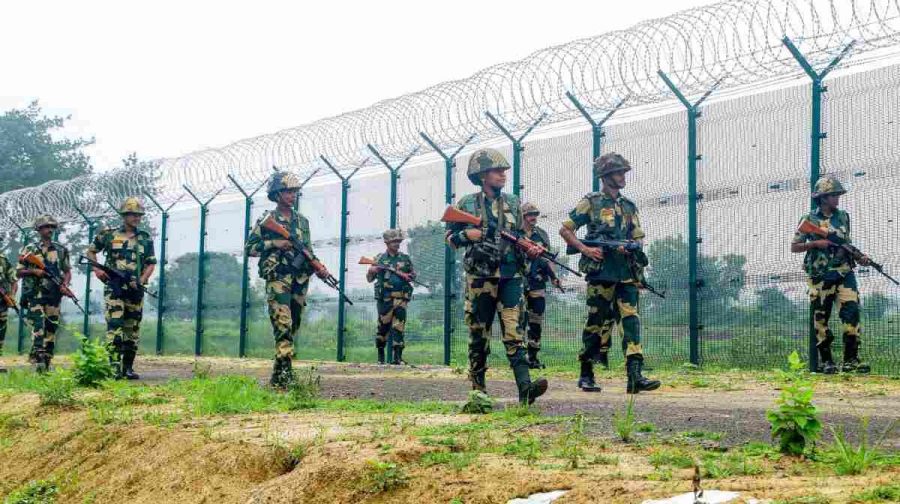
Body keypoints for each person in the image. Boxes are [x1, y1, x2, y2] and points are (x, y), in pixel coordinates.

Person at [445, 148, 549, 405]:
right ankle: (478, 390)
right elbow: (449, 238)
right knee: (479, 334)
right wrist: (466, 235)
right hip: (480, 278)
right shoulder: (467, 204)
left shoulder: (513, 203)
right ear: (481, 175)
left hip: (511, 276)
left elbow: (518, 235)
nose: (503, 175)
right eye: (497, 170)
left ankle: (525, 388)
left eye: (504, 171)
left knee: (515, 331)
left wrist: (531, 247)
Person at [560, 152, 660, 394]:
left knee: (631, 320)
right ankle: (586, 373)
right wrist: (586, 249)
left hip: (626, 273)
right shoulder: (591, 202)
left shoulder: (628, 206)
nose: (623, 176)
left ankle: (635, 375)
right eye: (618, 172)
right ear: (605, 176)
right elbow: (566, 229)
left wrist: (633, 250)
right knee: (596, 322)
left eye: (624, 172)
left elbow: (638, 237)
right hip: (601, 273)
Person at [246, 172, 330, 388]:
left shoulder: (302, 222)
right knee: (283, 324)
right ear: (276, 194)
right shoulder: (267, 220)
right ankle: (286, 376)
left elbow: (307, 250)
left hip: (299, 279)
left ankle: (278, 372)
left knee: (293, 325)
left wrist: (319, 267)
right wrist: (274, 243)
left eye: (294, 191)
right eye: (288, 191)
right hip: (278, 278)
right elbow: (250, 249)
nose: (292, 195)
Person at [791, 176, 870, 374]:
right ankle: (827, 362)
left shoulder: (843, 216)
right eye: (834, 195)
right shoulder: (809, 219)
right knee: (821, 318)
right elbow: (795, 247)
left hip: (844, 272)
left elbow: (845, 242)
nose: (837, 198)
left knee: (851, 314)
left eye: (838, 194)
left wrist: (860, 256)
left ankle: (851, 360)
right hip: (820, 275)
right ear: (823, 197)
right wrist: (815, 244)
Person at [87, 197, 156, 380]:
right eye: (132, 214)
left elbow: (151, 263)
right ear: (124, 215)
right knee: (115, 327)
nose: (136, 218)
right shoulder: (108, 235)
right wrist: (97, 269)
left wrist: (142, 280)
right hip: (114, 288)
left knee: (132, 329)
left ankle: (128, 368)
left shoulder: (145, 238)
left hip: (135, 289)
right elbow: (91, 251)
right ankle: (114, 368)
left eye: (138, 215)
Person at [17, 215, 71, 372]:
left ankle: (46, 362)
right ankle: (38, 361)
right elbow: (18, 272)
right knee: (38, 329)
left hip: (53, 296)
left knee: (51, 329)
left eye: (52, 227)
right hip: (35, 295)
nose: (50, 230)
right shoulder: (29, 250)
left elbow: (67, 271)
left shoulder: (61, 250)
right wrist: (35, 271)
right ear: (39, 230)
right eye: (46, 227)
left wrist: (65, 285)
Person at [519, 202, 562, 369]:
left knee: (536, 321)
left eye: (535, 214)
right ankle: (519, 359)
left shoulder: (542, 235)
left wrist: (554, 277)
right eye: (530, 214)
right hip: (520, 282)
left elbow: (548, 259)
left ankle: (533, 357)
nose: (533, 218)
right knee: (519, 320)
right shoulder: (515, 233)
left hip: (537, 283)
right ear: (522, 216)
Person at [366, 229, 417, 365]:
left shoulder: (405, 259)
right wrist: (372, 270)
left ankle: (397, 358)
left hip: (401, 298)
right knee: (383, 326)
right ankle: (380, 356)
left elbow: (413, 275)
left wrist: (410, 276)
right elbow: (369, 279)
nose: (397, 244)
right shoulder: (379, 259)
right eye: (394, 241)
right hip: (385, 299)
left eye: (398, 241)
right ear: (387, 242)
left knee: (399, 327)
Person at [0, 242, 17, 371]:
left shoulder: (3, 259)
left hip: (1, 303)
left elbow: (13, 280)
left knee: (1, 330)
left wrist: (11, 296)